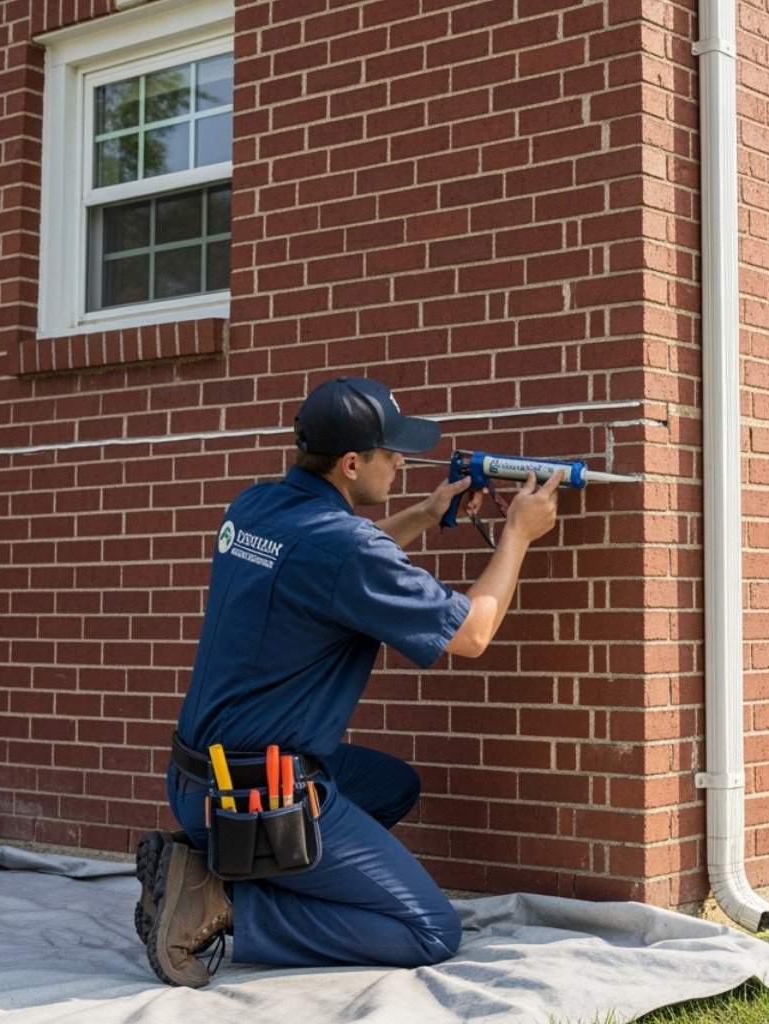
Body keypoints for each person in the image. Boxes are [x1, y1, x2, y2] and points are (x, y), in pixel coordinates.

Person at [137, 377, 561, 988]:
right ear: (351, 462)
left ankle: (207, 865)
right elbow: (471, 634)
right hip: (256, 798)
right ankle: (222, 905)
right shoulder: (344, 546)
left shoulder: (253, 507)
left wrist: (422, 513)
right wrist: (519, 532)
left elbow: (329, 563)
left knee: (391, 786)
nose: (402, 464)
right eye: (391, 454)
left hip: (195, 778)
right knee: (431, 931)